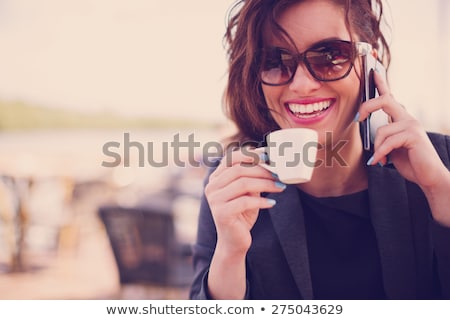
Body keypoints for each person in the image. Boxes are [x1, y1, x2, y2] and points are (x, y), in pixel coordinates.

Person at [189, 0, 450, 300]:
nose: (302, 85)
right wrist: (229, 256)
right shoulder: (232, 185)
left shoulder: (439, 166)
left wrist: (441, 194)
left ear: (370, 66)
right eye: (275, 60)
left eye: (330, 56)